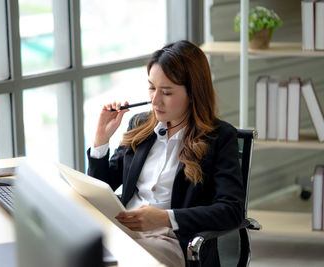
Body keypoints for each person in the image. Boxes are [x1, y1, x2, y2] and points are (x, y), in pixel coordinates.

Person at [87, 40, 245, 267]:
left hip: (170, 240)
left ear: (193, 92)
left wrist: (165, 218)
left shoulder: (219, 137)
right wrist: (101, 139)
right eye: (152, 88)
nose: (155, 100)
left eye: (167, 92)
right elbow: (102, 186)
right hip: (121, 229)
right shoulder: (140, 125)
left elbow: (232, 210)